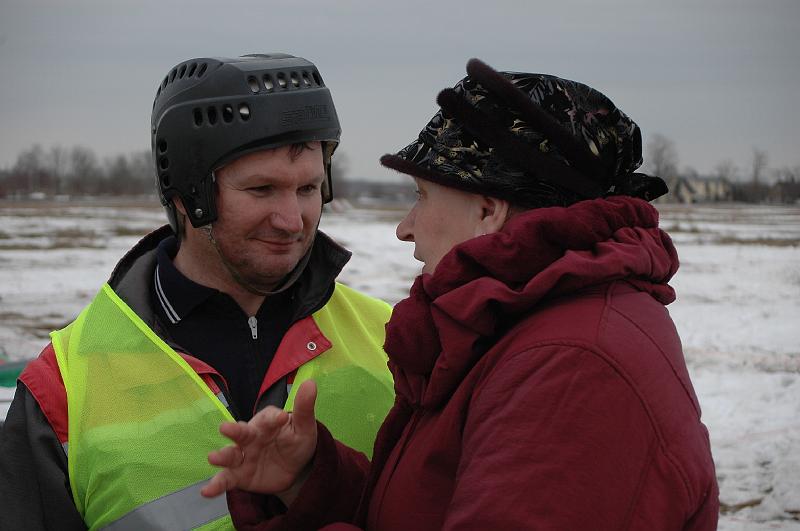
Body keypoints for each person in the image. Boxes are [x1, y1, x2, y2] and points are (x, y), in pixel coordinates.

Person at [201, 58, 720, 530]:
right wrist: (311, 482)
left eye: (422, 196)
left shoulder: (572, 366)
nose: (405, 228)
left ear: (488, 209)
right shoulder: (524, 328)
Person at [0, 53, 395, 530]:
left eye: (308, 188)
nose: (293, 221)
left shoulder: (394, 341)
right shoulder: (64, 386)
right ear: (188, 196)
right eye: (262, 190)